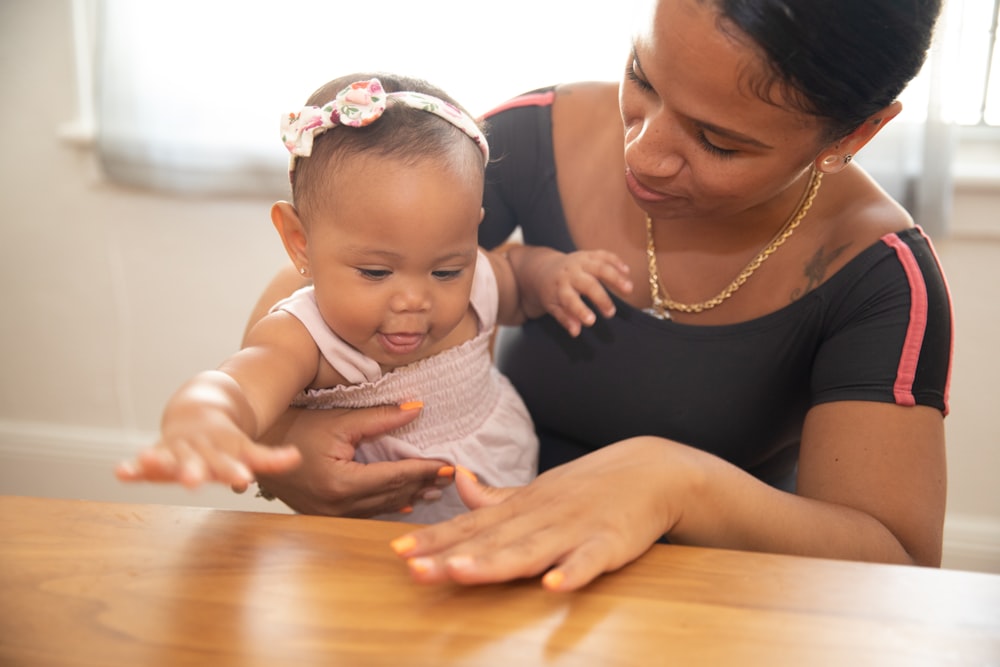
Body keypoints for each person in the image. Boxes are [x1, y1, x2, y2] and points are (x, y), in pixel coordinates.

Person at [248, 0, 952, 590]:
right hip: (462, 566)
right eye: (641, 78)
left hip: (701, 606)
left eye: (718, 141)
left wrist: (674, 481)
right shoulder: (530, 135)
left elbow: (897, 561)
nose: (641, 153)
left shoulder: (880, 278)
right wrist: (282, 444)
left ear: (855, 134)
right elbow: (321, 289)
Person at [114, 74, 632, 524]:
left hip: (509, 506)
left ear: (472, 235)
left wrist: (555, 274)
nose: (413, 299)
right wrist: (204, 415)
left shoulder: (477, 282)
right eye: (376, 271)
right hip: (364, 544)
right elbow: (244, 383)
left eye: (445, 268)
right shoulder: (307, 336)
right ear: (301, 243)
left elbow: (516, 273)